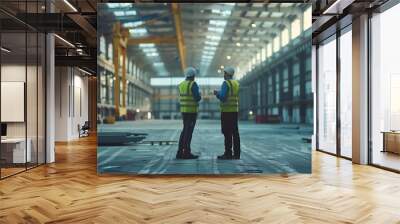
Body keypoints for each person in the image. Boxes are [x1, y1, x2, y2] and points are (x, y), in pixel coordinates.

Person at [213, 66, 241, 160]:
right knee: (235, 132)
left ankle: (228, 153)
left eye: (224, 73)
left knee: (227, 132)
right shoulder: (236, 83)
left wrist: (217, 94)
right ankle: (237, 154)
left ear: (228, 74)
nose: (223, 75)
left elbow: (224, 98)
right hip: (234, 111)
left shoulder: (226, 83)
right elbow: (230, 94)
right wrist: (221, 92)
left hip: (226, 112)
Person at [176, 67, 201, 159]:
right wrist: (199, 94)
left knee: (184, 131)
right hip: (191, 112)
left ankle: (179, 152)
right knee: (188, 132)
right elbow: (197, 98)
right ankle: (186, 153)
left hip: (184, 111)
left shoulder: (181, 84)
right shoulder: (193, 84)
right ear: (193, 76)